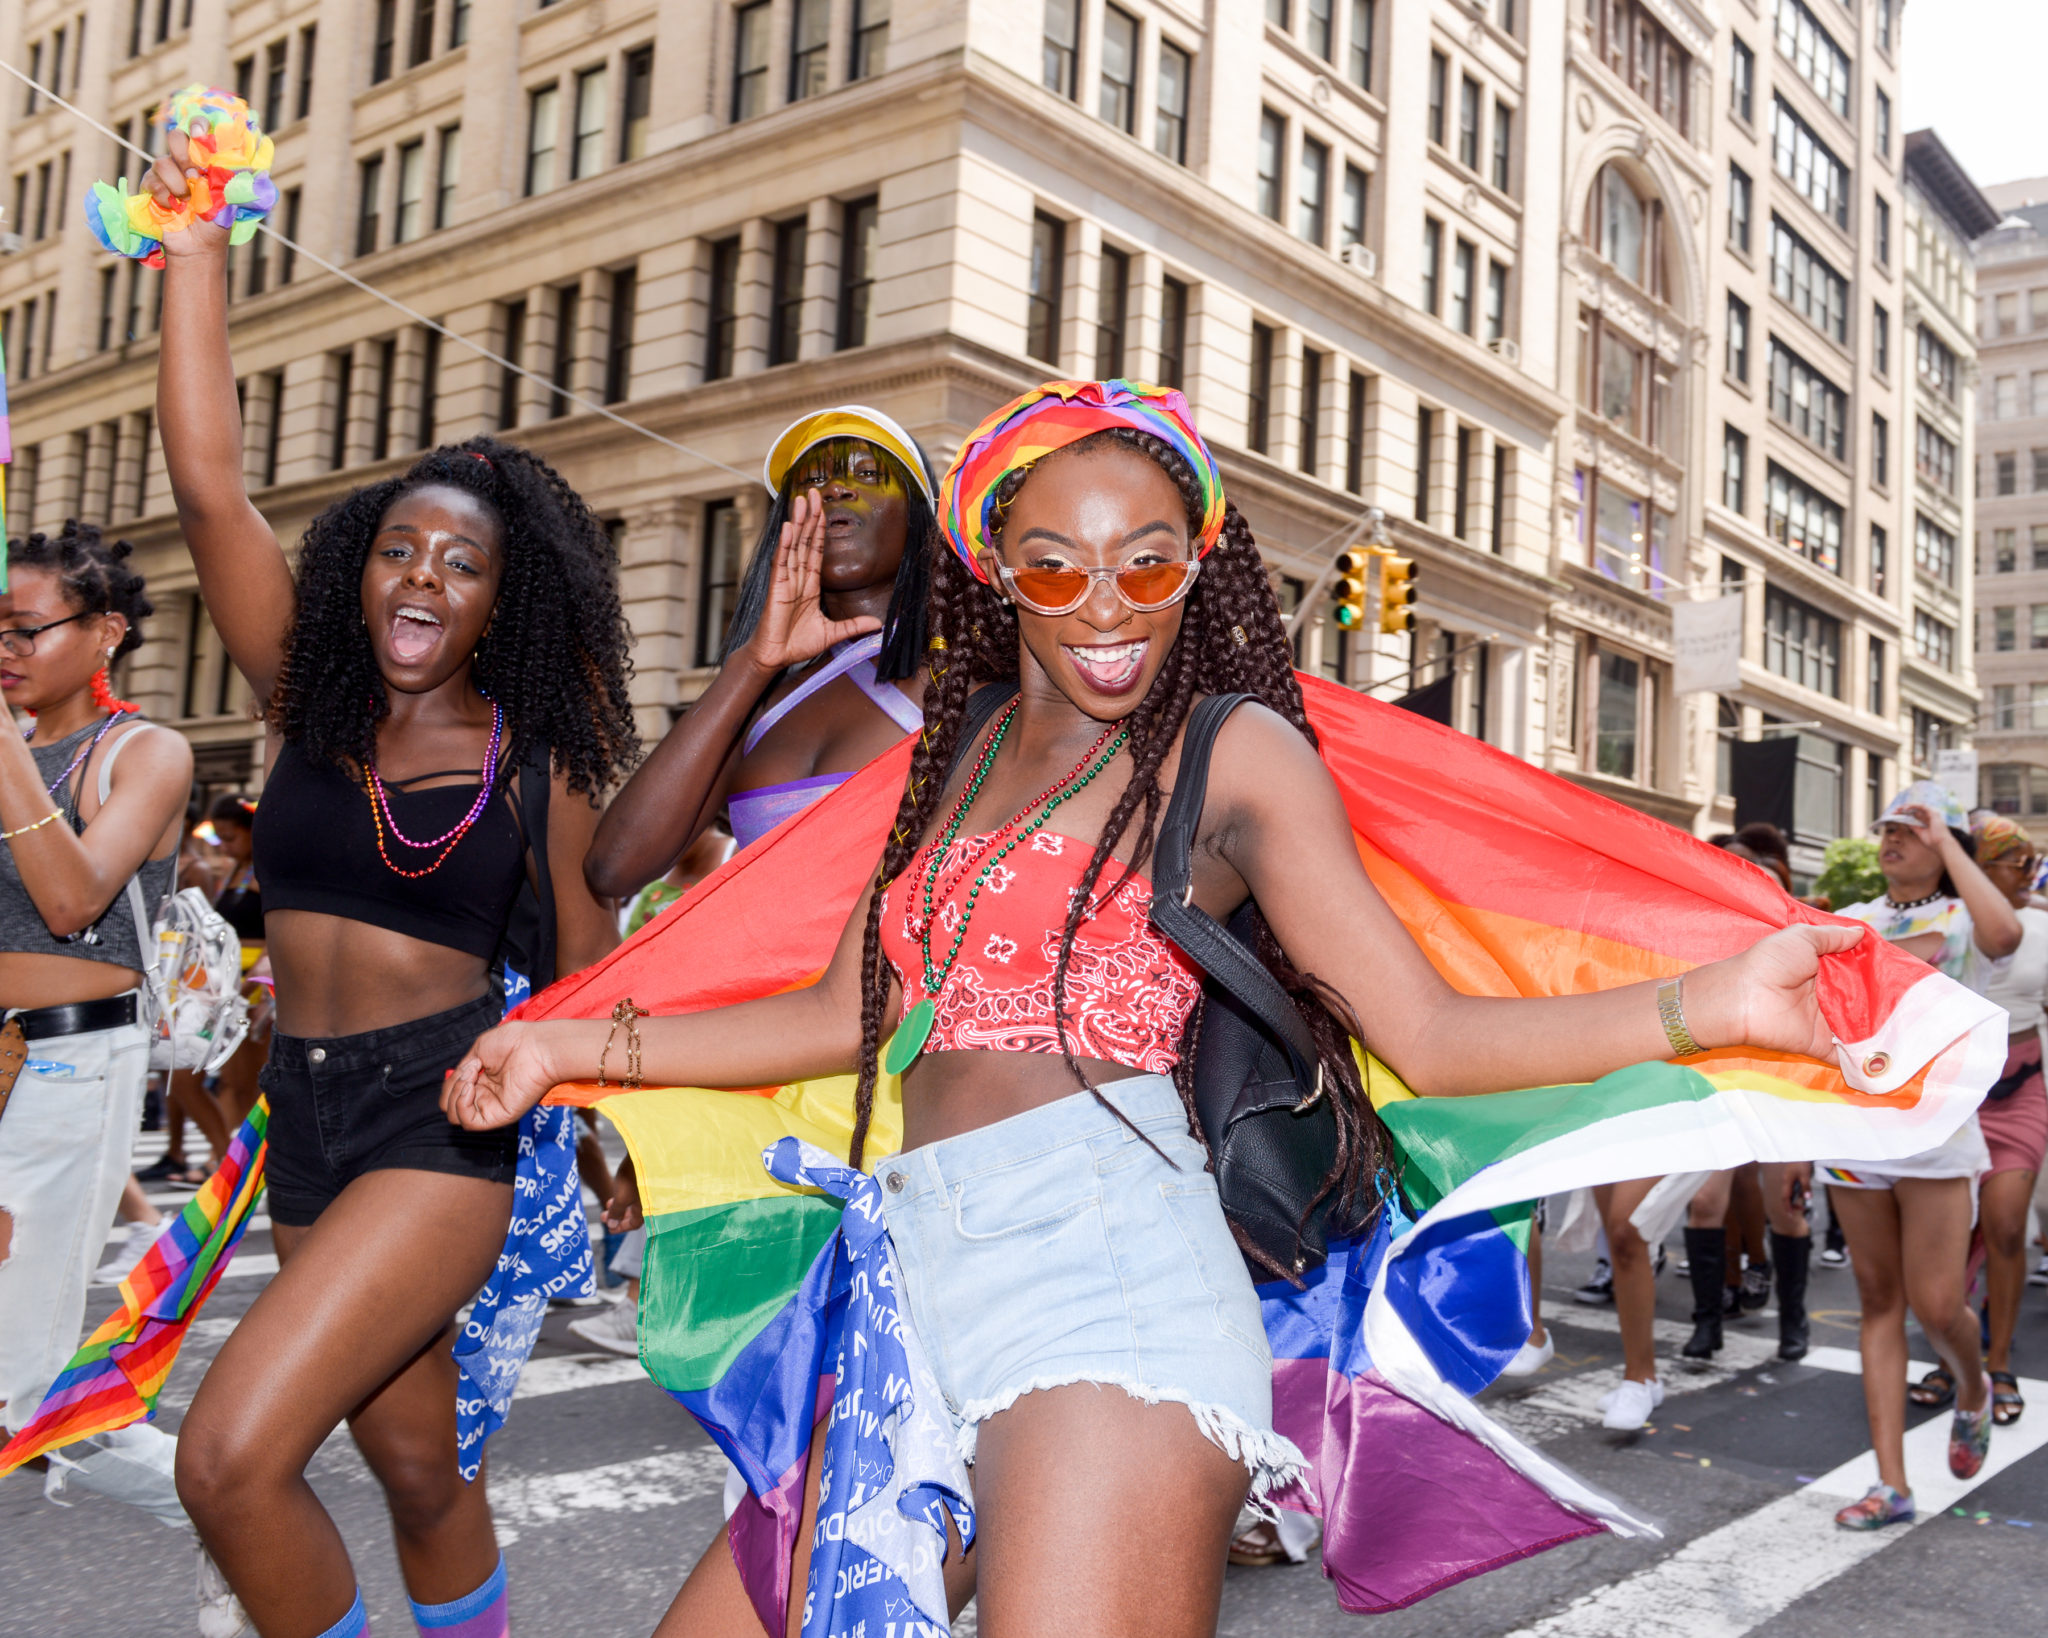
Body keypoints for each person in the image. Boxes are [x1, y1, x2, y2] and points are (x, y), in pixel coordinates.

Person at [442, 381, 1860, 1637]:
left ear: (1200, 562)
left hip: (1109, 1285)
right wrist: (565, 1043)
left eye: (1145, 560)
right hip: (913, 1279)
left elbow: (1425, 1031)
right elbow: (851, 1012)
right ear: (999, 570)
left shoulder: (1233, 752)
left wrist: (1715, 998)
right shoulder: (963, 742)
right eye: (1055, 568)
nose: (1106, 603)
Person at [142, 123, 635, 1638]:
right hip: (311, 1115)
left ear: (506, 600)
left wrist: (633, 1148)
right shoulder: (305, 695)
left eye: (462, 563)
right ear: (359, 564)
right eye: (399, 549)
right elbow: (212, 483)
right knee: (420, 1467)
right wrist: (197, 241)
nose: (422, 577)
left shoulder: (539, 763)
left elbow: (597, 977)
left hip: (440, 1124)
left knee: (230, 1460)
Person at [0, 522, 227, 1624]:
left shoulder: (145, 753)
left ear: (105, 633)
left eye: (24, 628)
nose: (4, 648)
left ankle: (239, 1522)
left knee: (28, 1397)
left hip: (71, 1069)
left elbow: (74, 898)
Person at [583, 405, 935, 893]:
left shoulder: (963, 673)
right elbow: (613, 867)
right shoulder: (763, 701)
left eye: (870, 473)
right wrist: (752, 665)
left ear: (920, 515)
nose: (835, 489)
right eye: (811, 482)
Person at [1820, 782, 2021, 1530]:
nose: (1894, 838)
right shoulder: (1850, 921)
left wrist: (1949, 840)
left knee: (1939, 1307)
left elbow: (2004, 939)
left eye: (1914, 829)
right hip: (1853, 1132)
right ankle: (1891, 1486)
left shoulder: (1968, 918)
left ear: (1944, 845)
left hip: (1937, 1134)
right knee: (1879, 1303)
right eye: (1890, 828)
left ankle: (1971, 1384)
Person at [1969, 814, 2047, 1424]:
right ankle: (1954, 1359)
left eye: (2031, 863)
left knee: (2005, 1227)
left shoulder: (2043, 926)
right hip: (1953, 1101)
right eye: (2018, 862)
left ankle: (1998, 1362)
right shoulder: (1945, 923)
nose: (2031, 873)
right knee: (1947, 1238)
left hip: (2021, 1093)